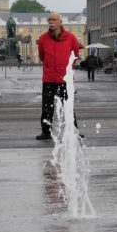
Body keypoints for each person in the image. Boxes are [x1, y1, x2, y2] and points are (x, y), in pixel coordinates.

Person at [36, 12, 82, 141]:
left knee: (68, 106)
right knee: (47, 106)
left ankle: (74, 131)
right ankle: (46, 132)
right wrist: (50, 67)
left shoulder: (71, 38)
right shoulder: (43, 38)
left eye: (54, 19)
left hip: (64, 79)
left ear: (60, 22)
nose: (51, 21)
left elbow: (75, 55)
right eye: (49, 19)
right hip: (49, 78)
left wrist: (67, 69)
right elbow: (42, 57)